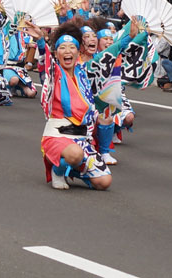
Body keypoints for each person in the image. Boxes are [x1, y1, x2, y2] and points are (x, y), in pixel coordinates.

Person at [26, 21, 112, 190]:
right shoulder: (54, 74)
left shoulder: (82, 72)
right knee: (75, 154)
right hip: (58, 136)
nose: (67, 51)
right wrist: (42, 40)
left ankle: (71, 170)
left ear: (78, 51)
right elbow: (47, 62)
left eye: (72, 47)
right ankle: (58, 170)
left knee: (104, 182)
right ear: (56, 53)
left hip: (82, 138)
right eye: (62, 48)